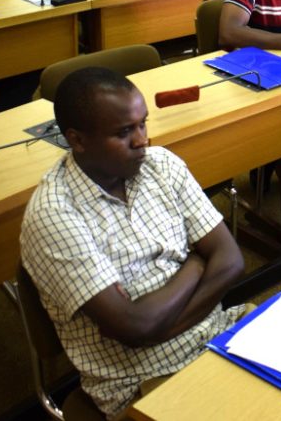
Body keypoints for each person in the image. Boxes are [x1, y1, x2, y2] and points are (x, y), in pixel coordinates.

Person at [20, 67, 244, 419]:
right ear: (77, 140)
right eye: (124, 132)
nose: (142, 140)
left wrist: (157, 326)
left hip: (219, 334)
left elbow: (231, 260)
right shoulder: (54, 215)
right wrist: (196, 264)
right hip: (140, 380)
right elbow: (134, 327)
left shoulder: (161, 165)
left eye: (143, 124)